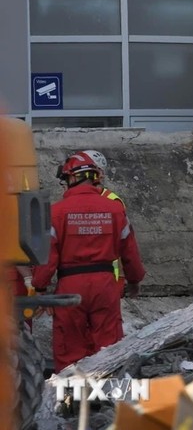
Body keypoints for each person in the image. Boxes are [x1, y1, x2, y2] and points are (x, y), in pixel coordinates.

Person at [33, 151, 146, 373]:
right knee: (109, 344)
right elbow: (130, 251)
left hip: (70, 288)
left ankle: (70, 398)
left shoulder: (56, 212)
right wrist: (134, 280)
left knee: (69, 345)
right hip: (105, 285)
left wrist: (40, 287)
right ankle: (109, 397)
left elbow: (47, 256)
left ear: (72, 178)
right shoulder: (115, 209)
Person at [82, 149, 127, 297]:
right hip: (79, 276)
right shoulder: (73, 199)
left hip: (106, 278)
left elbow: (122, 244)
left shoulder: (113, 202)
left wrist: (120, 277)